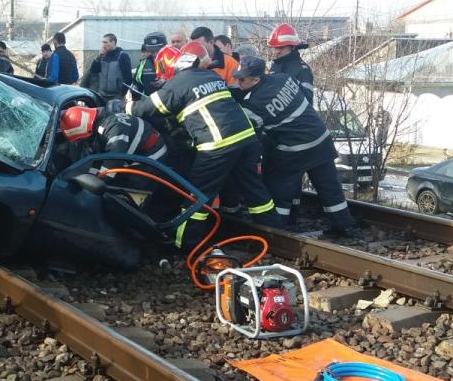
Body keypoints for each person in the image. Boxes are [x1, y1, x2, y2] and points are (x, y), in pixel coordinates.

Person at [130, 41, 279, 253]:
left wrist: (124, 107)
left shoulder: (179, 82)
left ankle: (185, 245)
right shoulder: (210, 76)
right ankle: (276, 236)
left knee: (197, 195)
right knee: (254, 189)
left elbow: (147, 108)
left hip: (218, 145)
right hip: (246, 138)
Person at [233, 56, 356, 236]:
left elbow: (253, 133)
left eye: (241, 80)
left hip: (295, 151)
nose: (238, 83)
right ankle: (344, 225)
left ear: (256, 80)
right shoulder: (283, 78)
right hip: (321, 141)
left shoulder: (254, 106)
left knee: (279, 190)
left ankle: (278, 231)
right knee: (330, 188)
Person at [267, 23, 314, 101]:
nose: (277, 51)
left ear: (292, 47)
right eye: (275, 48)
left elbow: (306, 100)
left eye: (281, 47)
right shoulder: (275, 65)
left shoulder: (302, 70)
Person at [80, 33, 133, 99]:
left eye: (105, 42)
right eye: (103, 42)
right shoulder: (103, 55)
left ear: (113, 42)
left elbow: (128, 77)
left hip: (116, 95)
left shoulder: (122, 55)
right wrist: (98, 57)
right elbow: (93, 71)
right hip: (101, 94)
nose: (103, 45)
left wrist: (122, 93)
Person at [131, 32, 166, 101]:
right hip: (148, 101)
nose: (155, 54)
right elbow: (137, 82)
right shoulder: (143, 64)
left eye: (158, 51)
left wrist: (165, 81)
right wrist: (134, 90)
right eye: (152, 51)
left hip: (167, 101)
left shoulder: (171, 62)